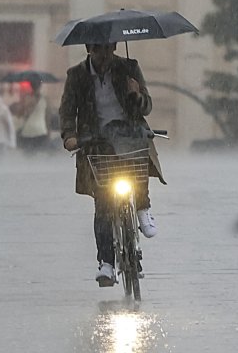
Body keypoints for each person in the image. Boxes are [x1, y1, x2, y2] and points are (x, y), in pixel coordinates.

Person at [59, 42, 164, 285]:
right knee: (104, 203)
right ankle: (106, 262)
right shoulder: (76, 76)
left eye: (107, 49)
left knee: (138, 168)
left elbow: (147, 107)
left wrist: (136, 94)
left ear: (115, 46)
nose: (103, 55)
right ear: (89, 49)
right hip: (96, 142)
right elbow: (66, 111)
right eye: (97, 49)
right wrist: (69, 136)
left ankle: (142, 208)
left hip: (129, 136)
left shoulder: (128, 68)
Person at [15, 80, 52, 155]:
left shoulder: (27, 98)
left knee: (28, 156)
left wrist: (24, 104)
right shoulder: (46, 99)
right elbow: (48, 117)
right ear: (40, 86)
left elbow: (19, 115)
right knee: (40, 156)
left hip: (28, 131)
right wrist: (48, 131)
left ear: (31, 86)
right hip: (41, 131)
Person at [0, 87, 15, 157]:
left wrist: (12, 142)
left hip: (1, 141)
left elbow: (10, 126)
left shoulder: (3, 110)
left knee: (1, 162)